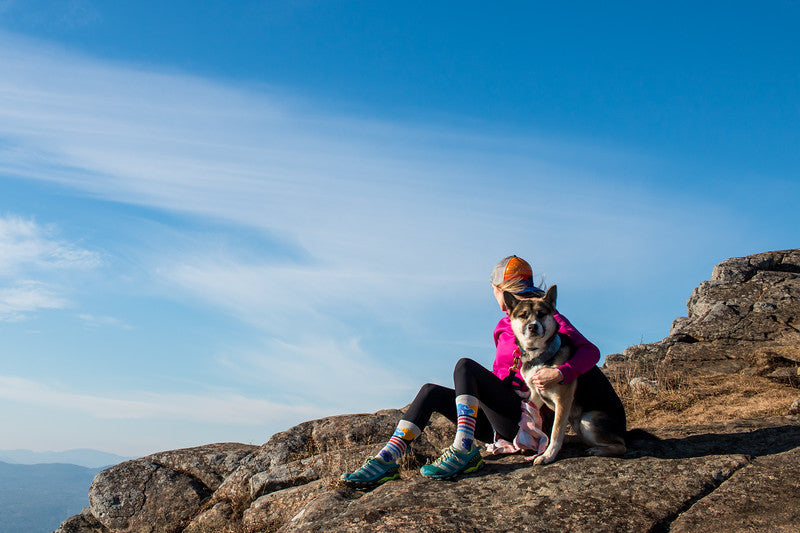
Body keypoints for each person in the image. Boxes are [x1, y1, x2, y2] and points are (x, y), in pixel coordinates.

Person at [340, 255, 600, 486]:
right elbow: (503, 373)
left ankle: (464, 451)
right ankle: (386, 459)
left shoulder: (546, 319)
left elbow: (591, 352)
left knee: (465, 366)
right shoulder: (503, 325)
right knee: (430, 391)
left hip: (524, 418)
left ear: (500, 289)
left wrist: (562, 372)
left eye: (494, 290)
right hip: (497, 419)